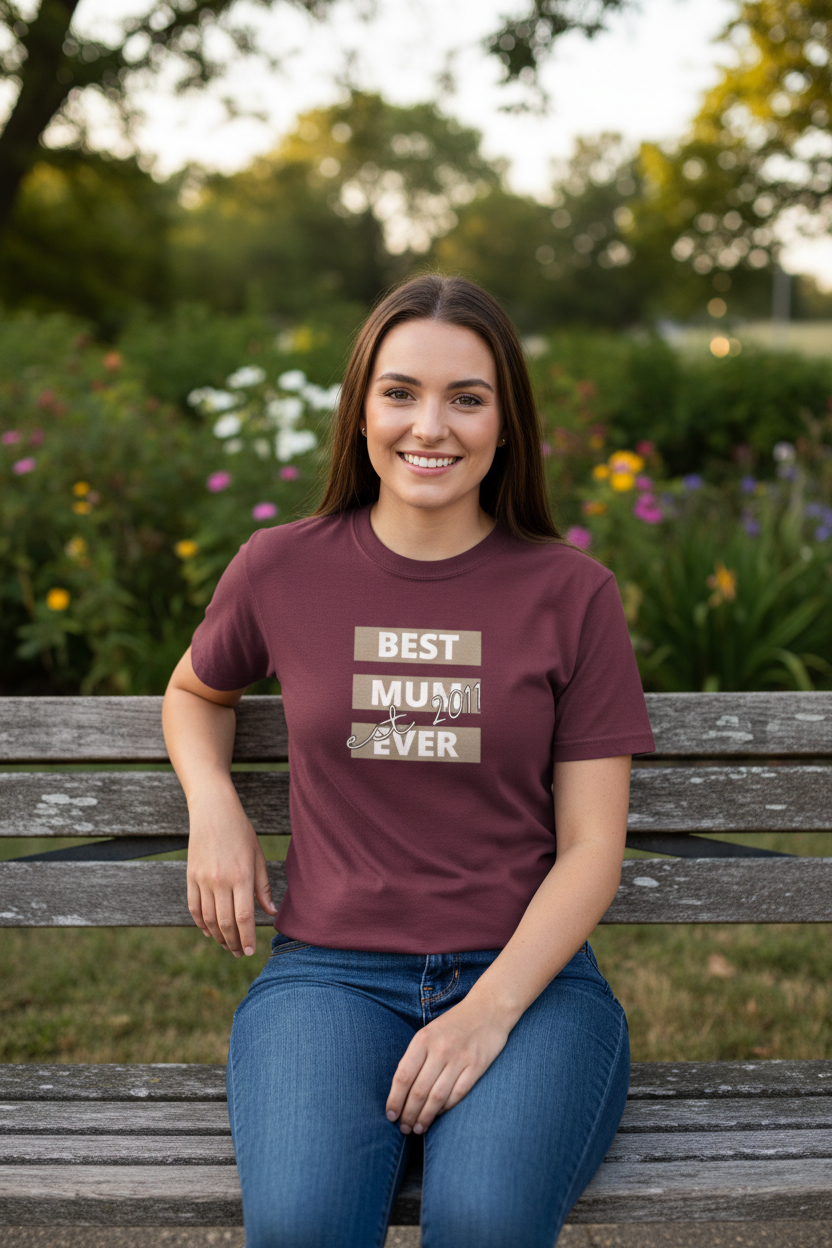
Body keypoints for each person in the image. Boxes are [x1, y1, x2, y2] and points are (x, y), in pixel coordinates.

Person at [162, 274, 655, 1248]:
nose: (430, 425)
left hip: (528, 981)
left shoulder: (571, 593)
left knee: (484, 1223)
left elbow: (592, 845)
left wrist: (485, 1014)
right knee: (303, 1229)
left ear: (505, 421)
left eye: (466, 398)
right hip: (330, 979)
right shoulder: (280, 566)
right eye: (400, 392)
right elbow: (194, 692)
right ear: (360, 411)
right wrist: (212, 805)